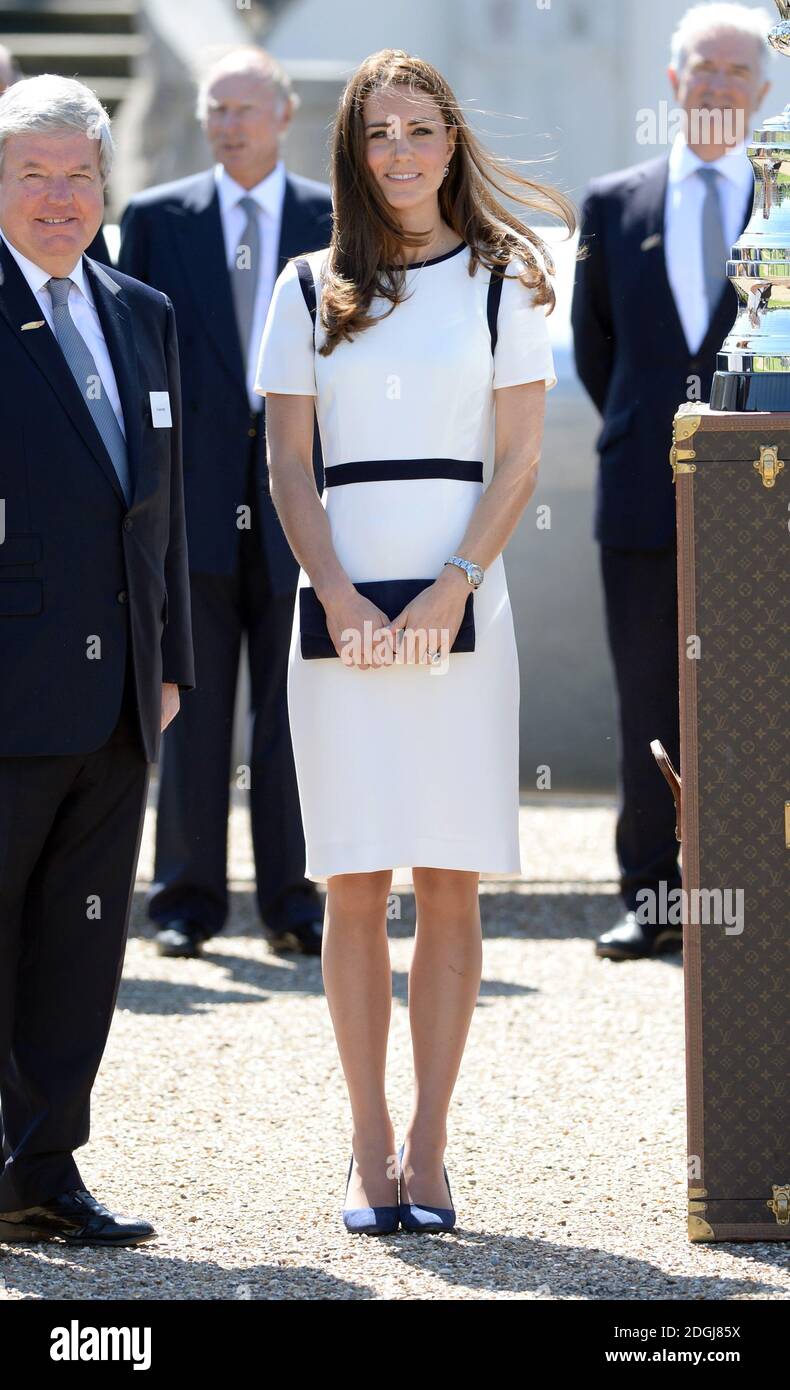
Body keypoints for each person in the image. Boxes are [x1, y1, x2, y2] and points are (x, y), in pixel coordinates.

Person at [256, 48, 571, 1234]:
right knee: (351, 882)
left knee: (447, 878)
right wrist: (333, 590)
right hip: (336, 610)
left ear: (451, 142)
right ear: (353, 147)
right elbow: (287, 462)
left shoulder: (506, 277)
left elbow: (521, 459)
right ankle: (365, 1147)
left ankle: (430, 1147)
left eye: (421, 130)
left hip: (461, 610)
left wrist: (450, 589)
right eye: (379, 132)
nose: (400, 152)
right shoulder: (302, 283)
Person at [0, 75, 194, 1245]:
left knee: (79, 940)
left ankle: (42, 1170)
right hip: (11, 681)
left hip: (122, 689)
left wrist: (164, 655)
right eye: (33, 173)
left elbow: (156, 505)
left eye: (79, 175)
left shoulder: (141, 310)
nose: (59, 198)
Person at [119, 48, 333, 960]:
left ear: (284, 114)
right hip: (195, 493)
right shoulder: (159, 218)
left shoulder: (336, 216)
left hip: (303, 491)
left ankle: (294, 899)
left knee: (295, 707)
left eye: (247, 107)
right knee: (193, 706)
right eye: (216, 108)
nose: (230, 123)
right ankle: (186, 900)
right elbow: (135, 353)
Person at [571, 3, 771, 961]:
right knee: (649, 696)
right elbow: (595, 349)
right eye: (705, 70)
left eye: (740, 72)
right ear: (673, 81)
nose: (720, 87)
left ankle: (748, 897)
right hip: (645, 495)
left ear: (765, 90)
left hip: (767, 498)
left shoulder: (785, 208)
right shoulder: (613, 203)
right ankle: (650, 896)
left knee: (756, 694)